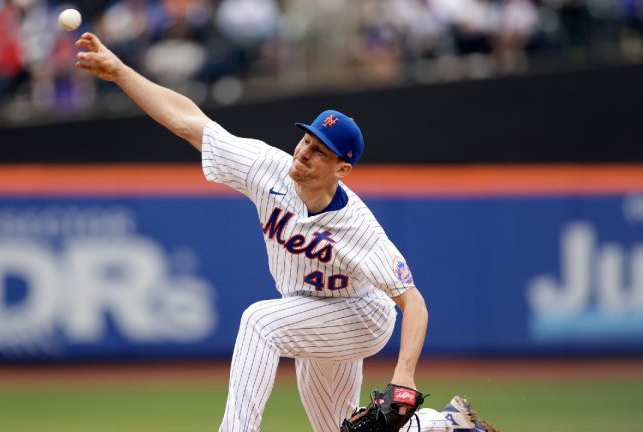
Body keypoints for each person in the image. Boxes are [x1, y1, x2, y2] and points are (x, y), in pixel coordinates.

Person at [74, 32, 461, 432]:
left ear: (341, 170)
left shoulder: (357, 226)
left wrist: (404, 377)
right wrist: (120, 72)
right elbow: (189, 122)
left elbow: (413, 303)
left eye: (319, 152)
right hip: (306, 308)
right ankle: (443, 425)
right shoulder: (266, 167)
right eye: (306, 140)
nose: (303, 153)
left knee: (260, 322)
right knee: (337, 429)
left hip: (359, 315)